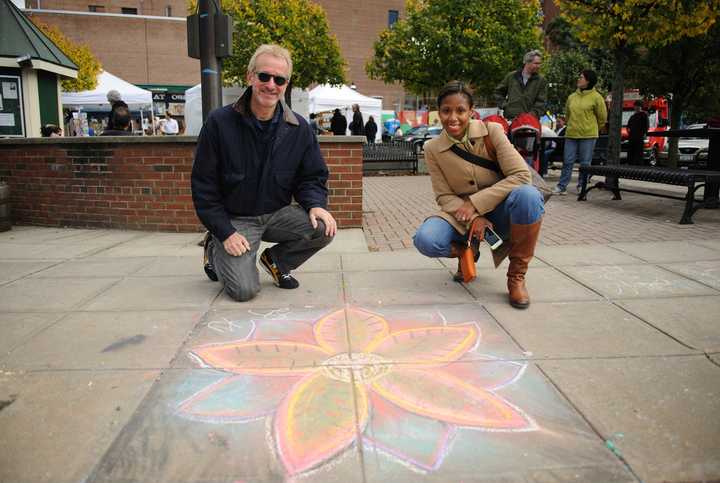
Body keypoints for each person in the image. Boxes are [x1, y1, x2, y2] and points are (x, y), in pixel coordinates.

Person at [191, 44, 336, 302]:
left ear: (286, 84)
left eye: (279, 79)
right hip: (237, 219)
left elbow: (311, 176)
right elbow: (204, 186)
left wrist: (315, 204)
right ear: (250, 77)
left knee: (324, 226)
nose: (271, 85)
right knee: (244, 291)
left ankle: (277, 260)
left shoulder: (298, 128)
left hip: (277, 214)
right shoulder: (219, 123)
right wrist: (224, 231)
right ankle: (214, 246)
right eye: (264, 76)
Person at [413, 81, 544, 309]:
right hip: (461, 215)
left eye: (460, 110)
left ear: (471, 112)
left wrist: (475, 204)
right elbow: (444, 196)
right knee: (426, 240)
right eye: (446, 110)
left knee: (528, 196)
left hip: (500, 210)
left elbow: (522, 176)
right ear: (438, 113)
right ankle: (466, 250)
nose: (453, 117)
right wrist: (474, 217)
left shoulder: (492, 132)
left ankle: (516, 277)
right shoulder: (432, 148)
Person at [553, 70, 608, 195]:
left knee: (585, 163)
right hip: (571, 134)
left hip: (588, 135)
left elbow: (602, 118)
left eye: (581, 77)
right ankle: (562, 187)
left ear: (588, 80)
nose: (578, 79)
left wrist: (592, 128)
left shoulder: (597, 97)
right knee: (567, 161)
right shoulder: (572, 97)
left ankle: (582, 186)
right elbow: (567, 114)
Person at [494, 50, 547, 121]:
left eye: (540, 63)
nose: (539, 66)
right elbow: (498, 92)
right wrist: (505, 105)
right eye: (536, 63)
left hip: (531, 121)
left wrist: (532, 115)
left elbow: (541, 102)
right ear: (527, 62)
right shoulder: (511, 76)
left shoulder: (541, 80)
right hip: (511, 118)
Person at [626, 100, 649, 165]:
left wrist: (643, 134)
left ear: (641, 107)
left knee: (638, 154)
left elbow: (646, 126)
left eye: (638, 106)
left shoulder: (644, 115)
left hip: (639, 138)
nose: (636, 107)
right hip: (632, 138)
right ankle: (631, 166)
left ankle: (638, 168)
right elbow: (628, 126)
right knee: (631, 154)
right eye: (635, 106)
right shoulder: (632, 116)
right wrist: (628, 131)